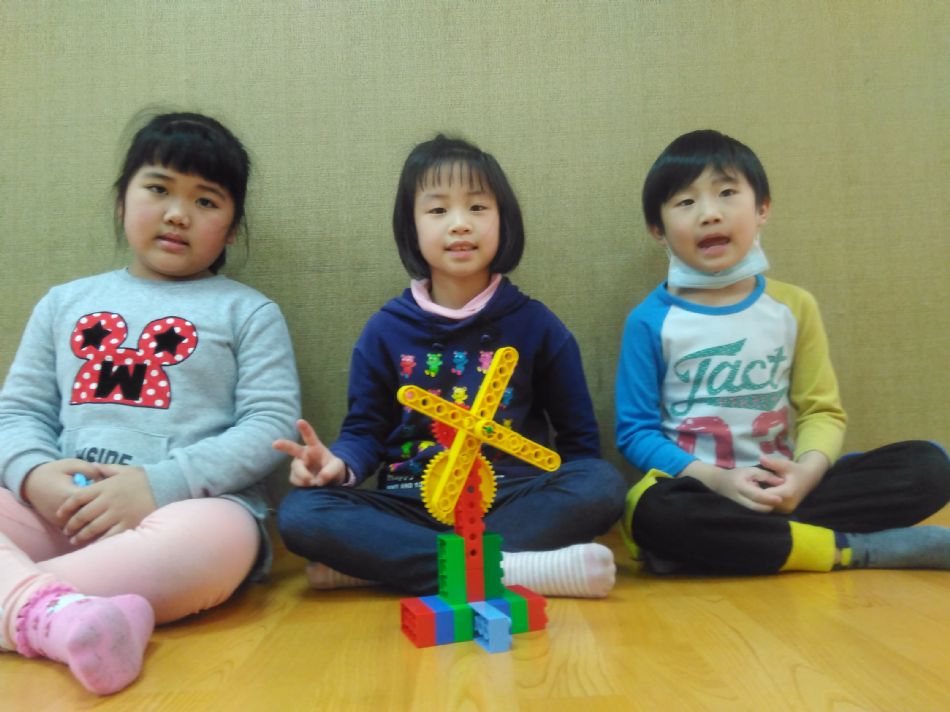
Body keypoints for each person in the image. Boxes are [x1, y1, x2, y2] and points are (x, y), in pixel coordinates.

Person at [0, 112, 300, 694]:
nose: (178, 213)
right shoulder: (64, 302)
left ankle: (27, 603)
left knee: (223, 539)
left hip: (186, 513)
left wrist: (161, 485)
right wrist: (34, 477)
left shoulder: (248, 311)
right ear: (121, 201)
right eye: (158, 189)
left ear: (232, 230)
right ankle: (64, 618)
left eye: (206, 201)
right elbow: (18, 413)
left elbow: (271, 424)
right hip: (62, 507)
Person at [276, 134, 625, 599]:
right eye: (438, 210)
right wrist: (336, 466)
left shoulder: (537, 325)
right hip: (412, 501)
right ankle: (510, 569)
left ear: (503, 220)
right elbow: (365, 433)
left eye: (477, 207)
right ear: (412, 228)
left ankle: (395, 567)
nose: (460, 224)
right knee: (301, 513)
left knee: (601, 484)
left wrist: (583, 502)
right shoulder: (385, 330)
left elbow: (579, 444)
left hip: (510, 500)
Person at [615, 129, 950, 576]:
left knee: (930, 465)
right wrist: (718, 480)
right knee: (651, 512)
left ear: (762, 209)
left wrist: (805, 475)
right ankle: (851, 549)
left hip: (786, 489)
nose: (709, 214)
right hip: (702, 492)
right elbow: (635, 432)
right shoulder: (649, 320)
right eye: (686, 202)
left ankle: (730, 548)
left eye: (727, 193)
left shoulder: (793, 306)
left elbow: (822, 411)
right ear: (658, 229)